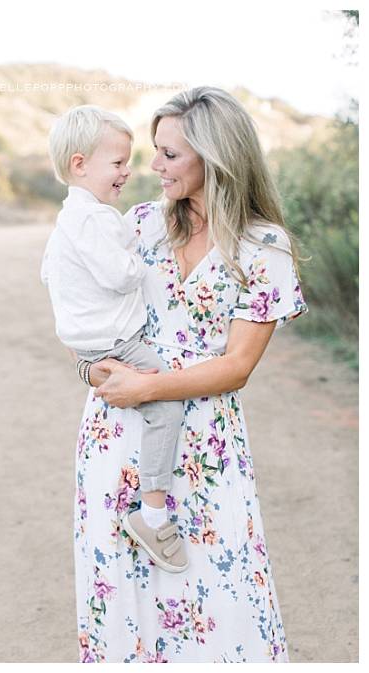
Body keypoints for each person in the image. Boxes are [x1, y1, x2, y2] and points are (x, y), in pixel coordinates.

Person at [72, 87, 306, 662]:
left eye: (170, 154)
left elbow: (237, 367)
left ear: (216, 156)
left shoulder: (262, 246)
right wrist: (90, 366)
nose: (153, 167)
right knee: (121, 585)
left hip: (205, 443)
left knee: (217, 588)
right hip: (117, 432)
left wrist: (147, 386)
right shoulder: (141, 224)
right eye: (154, 151)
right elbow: (92, 313)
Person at [41, 105, 187, 573]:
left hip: (89, 342)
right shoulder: (97, 219)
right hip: (117, 343)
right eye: (119, 163)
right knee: (166, 406)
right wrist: (138, 256)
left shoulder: (69, 218)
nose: (128, 172)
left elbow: (49, 274)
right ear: (80, 164)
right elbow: (121, 276)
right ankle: (153, 511)